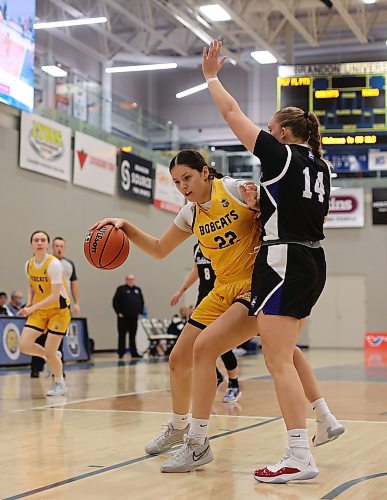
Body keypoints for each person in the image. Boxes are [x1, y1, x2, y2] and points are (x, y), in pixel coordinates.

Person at [91, 148, 342, 475]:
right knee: (179, 358)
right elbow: (158, 249)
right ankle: (179, 427)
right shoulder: (189, 213)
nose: (183, 186)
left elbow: (284, 218)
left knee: (213, 349)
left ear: (206, 172)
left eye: (188, 178)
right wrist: (125, 226)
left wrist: (257, 206)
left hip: (256, 284)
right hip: (222, 289)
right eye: (177, 182)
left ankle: (198, 442)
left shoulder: (238, 189)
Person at [171, 39, 343, 482]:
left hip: (282, 259)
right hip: (308, 258)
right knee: (213, 346)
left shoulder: (281, 154)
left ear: (282, 134)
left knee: (278, 361)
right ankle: (318, 420)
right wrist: (261, 203)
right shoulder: (321, 167)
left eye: (270, 128)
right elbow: (299, 212)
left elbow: (231, 115)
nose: (264, 132)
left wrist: (211, 76)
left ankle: (300, 456)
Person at [170, 242, 241, 403]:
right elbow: (196, 270)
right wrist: (181, 290)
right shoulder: (196, 247)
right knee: (195, 343)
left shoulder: (219, 241)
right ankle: (216, 376)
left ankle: (234, 384)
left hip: (221, 297)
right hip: (203, 299)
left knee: (221, 343)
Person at [18, 230, 71, 396]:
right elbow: (32, 286)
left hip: (59, 311)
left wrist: (31, 309)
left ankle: (59, 383)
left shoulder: (54, 264)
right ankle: (52, 356)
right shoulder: (29, 264)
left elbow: (54, 296)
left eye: (43, 240)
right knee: (24, 345)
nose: (39, 242)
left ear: (47, 245)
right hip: (40, 309)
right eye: (36, 240)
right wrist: (29, 301)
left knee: (49, 349)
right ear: (31, 244)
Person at [30, 236, 80, 377]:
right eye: (56, 246)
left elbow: (74, 284)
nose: (59, 248)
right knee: (38, 337)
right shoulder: (46, 262)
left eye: (61, 246)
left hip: (61, 306)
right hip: (43, 305)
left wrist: (76, 303)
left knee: (57, 340)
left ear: (64, 248)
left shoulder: (69, 264)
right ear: (52, 247)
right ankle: (35, 368)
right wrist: (32, 302)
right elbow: (34, 284)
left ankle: (58, 370)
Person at [112, 274, 145, 359]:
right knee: (122, 335)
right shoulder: (121, 289)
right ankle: (121, 353)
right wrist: (118, 312)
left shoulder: (137, 289)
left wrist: (139, 312)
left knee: (133, 335)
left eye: (132, 279)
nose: (131, 281)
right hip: (123, 317)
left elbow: (141, 301)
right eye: (129, 279)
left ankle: (134, 353)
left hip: (134, 317)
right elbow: (115, 301)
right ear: (126, 280)